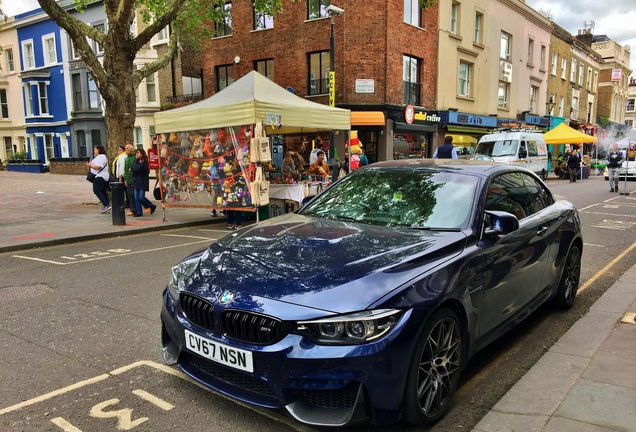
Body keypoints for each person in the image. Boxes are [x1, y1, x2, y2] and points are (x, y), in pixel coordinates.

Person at [123, 144, 150, 216]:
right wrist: (125, 179)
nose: (126, 150)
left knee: (139, 197)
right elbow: (127, 169)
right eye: (125, 149)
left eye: (127, 148)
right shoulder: (128, 158)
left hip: (139, 180)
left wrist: (132, 170)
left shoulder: (137, 159)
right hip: (132, 179)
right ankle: (136, 211)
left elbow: (136, 169)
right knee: (133, 196)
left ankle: (148, 206)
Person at [130, 148, 157, 217]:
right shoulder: (136, 161)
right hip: (136, 181)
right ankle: (139, 212)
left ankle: (151, 206)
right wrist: (134, 169)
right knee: (136, 198)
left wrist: (134, 169)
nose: (137, 154)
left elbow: (138, 169)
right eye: (136, 153)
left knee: (141, 197)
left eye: (138, 153)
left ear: (142, 154)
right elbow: (132, 168)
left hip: (142, 181)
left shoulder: (145, 162)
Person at [87, 145, 111, 213]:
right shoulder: (100, 157)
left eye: (95, 149)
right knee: (103, 190)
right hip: (102, 176)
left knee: (96, 190)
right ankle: (106, 205)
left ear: (99, 150)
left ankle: (106, 205)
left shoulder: (101, 157)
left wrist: (90, 165)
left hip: (100, 176)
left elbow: (98, 167)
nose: (94, 151)